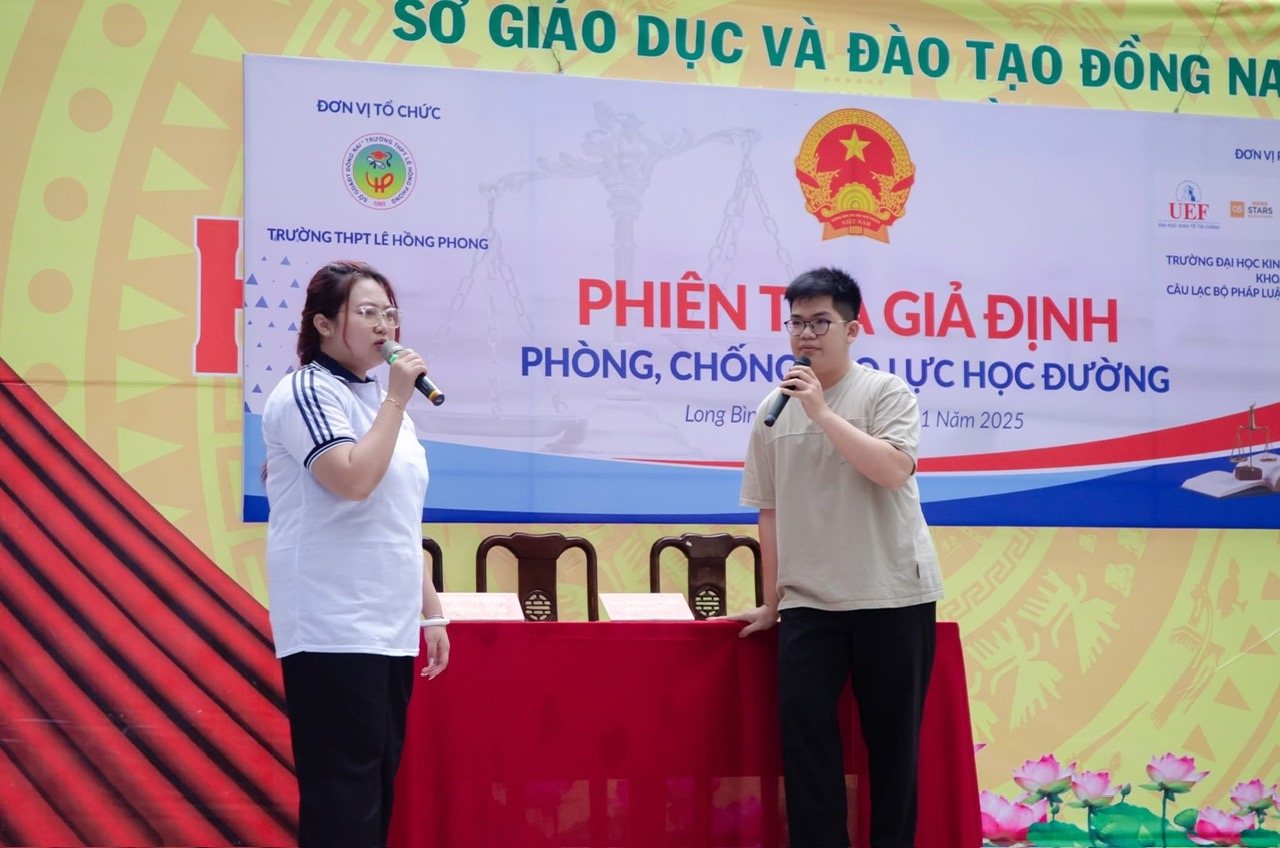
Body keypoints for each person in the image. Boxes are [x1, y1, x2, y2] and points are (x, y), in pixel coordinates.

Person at [730, 267, 944, 848]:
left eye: (820, 322)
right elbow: (769, 511)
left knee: (893, 752)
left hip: (892, 596)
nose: (806, 334)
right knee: (807, 751)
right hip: (810, 604)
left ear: (852, 329)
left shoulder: (886, 392)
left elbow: (893, 470)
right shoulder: (772, 409)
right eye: (796, 323)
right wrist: (772, 603)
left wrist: (823, 414)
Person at [261, 260, 450, 848]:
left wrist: (431, 611)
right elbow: (352, 481)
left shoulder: (385, 404)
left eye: (389, 313)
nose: (384, 326)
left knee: (374, 790)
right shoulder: (309, 391)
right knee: (343, 795)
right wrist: (396, 399)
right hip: (332, 622)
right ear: (323, 324)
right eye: (366, 313)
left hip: (387, 624)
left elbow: (399, 518)